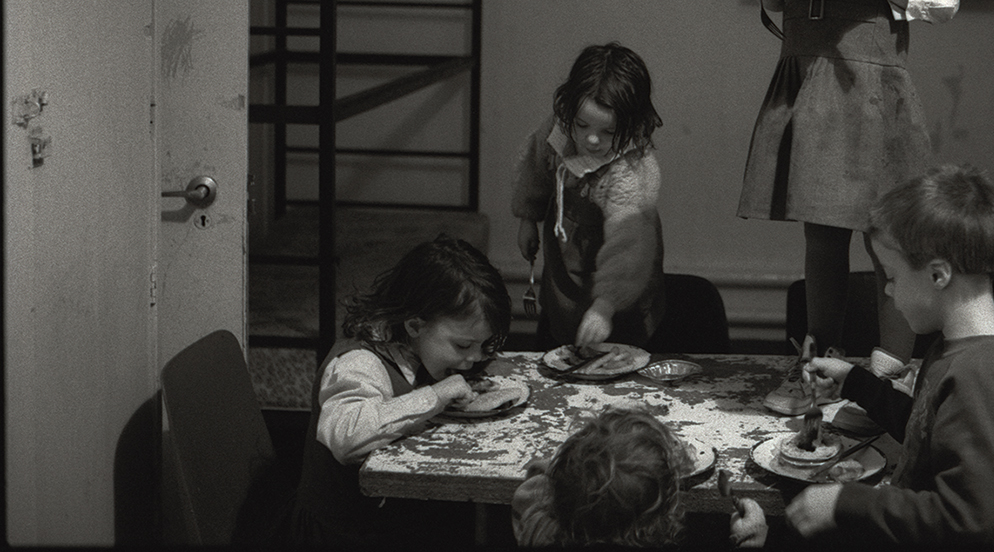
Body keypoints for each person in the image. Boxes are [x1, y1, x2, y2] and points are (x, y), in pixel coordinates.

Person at [730, 0, 962, 416]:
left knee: (891, 237)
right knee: (820, 236)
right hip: (809, 82)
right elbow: (781, 3)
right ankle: (816, 367)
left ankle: (885, 375)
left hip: (873, 90)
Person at [784, 164, 994, 544]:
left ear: (938, 275)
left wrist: (847, 501)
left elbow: (963, 519)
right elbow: (926, 433)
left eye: (891, 276)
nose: (888, 291)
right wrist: (854, 381)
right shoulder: (957, 351)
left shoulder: (981, 375)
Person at [283, 233, 512, 546]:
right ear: (415, 326)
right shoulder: (359, 363)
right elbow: (345, 438)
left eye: (483, 345)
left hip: (394, 515)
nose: (473, 358)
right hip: (343, 534)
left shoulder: (420, 348)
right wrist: (436, 395)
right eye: (462, 345)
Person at [512, 42, 665, 348]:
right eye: (582, 125)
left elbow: (630, 246)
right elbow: (536, 165)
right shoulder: (561, 130)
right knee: (561, 327)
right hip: (565, 265)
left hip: (622, 282)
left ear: (632, 124)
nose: (592, 140)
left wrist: (605, 306)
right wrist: (529, 217)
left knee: (619, 346)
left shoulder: (630, 171)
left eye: (609, 132)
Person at [511, 406, 768, 547]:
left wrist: (568, 472)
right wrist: (750, 541)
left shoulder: (540, 530)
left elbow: (532, 486)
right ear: (662, 520)